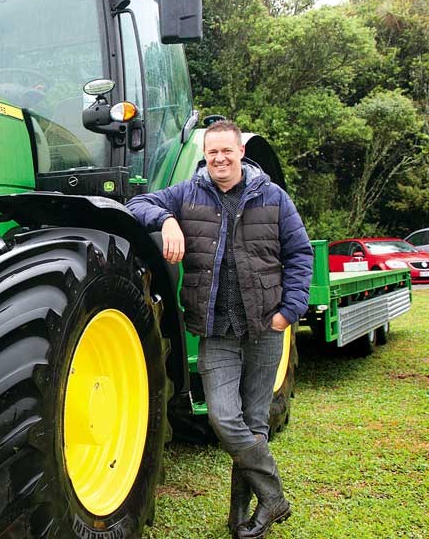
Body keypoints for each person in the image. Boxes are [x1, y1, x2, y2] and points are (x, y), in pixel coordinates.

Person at [126, 120, 313, 539]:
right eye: (212, 153)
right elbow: (138, 204)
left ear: (241, 153)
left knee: (253, 422)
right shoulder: (187, 194)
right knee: (225, 419)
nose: (220, 159)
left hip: (265, 327)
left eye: (227, 151)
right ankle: (275, 496)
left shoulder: (273, 198)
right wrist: (166, 220)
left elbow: (300, 254)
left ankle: (244, 517)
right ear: (205, 155)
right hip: (217, 331)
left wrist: (289, 312)